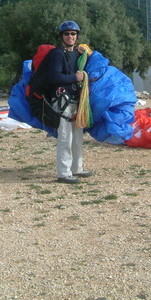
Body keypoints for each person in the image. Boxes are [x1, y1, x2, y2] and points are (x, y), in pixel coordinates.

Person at [48, 20, 94, 184]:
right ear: (62, 36)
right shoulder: (57, 54)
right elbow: (54, 77)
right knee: (65, 137)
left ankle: (77, 168)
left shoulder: (76, 54)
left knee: (77, 137)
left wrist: (85, 54)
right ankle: (63, 173)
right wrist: (75, 77)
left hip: (75, 99)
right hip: (62, 100)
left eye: (73, 34)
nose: (70, 36)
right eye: (67, 34)